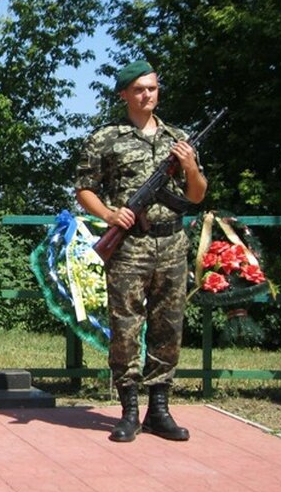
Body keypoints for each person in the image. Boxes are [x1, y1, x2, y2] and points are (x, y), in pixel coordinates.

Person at [74, 60, 207, 443]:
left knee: (169, 326)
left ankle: (159, 410)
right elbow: (84, 188)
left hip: (171, 244)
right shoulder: (106, 139)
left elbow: (196, 195)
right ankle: (130, 410)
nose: (146, 94)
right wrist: (109, 214)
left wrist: (190, 165)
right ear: (124, 95)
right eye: (138, 89)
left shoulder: (178, 139)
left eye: (151, 87)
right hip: (129, 246)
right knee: (126, 327)